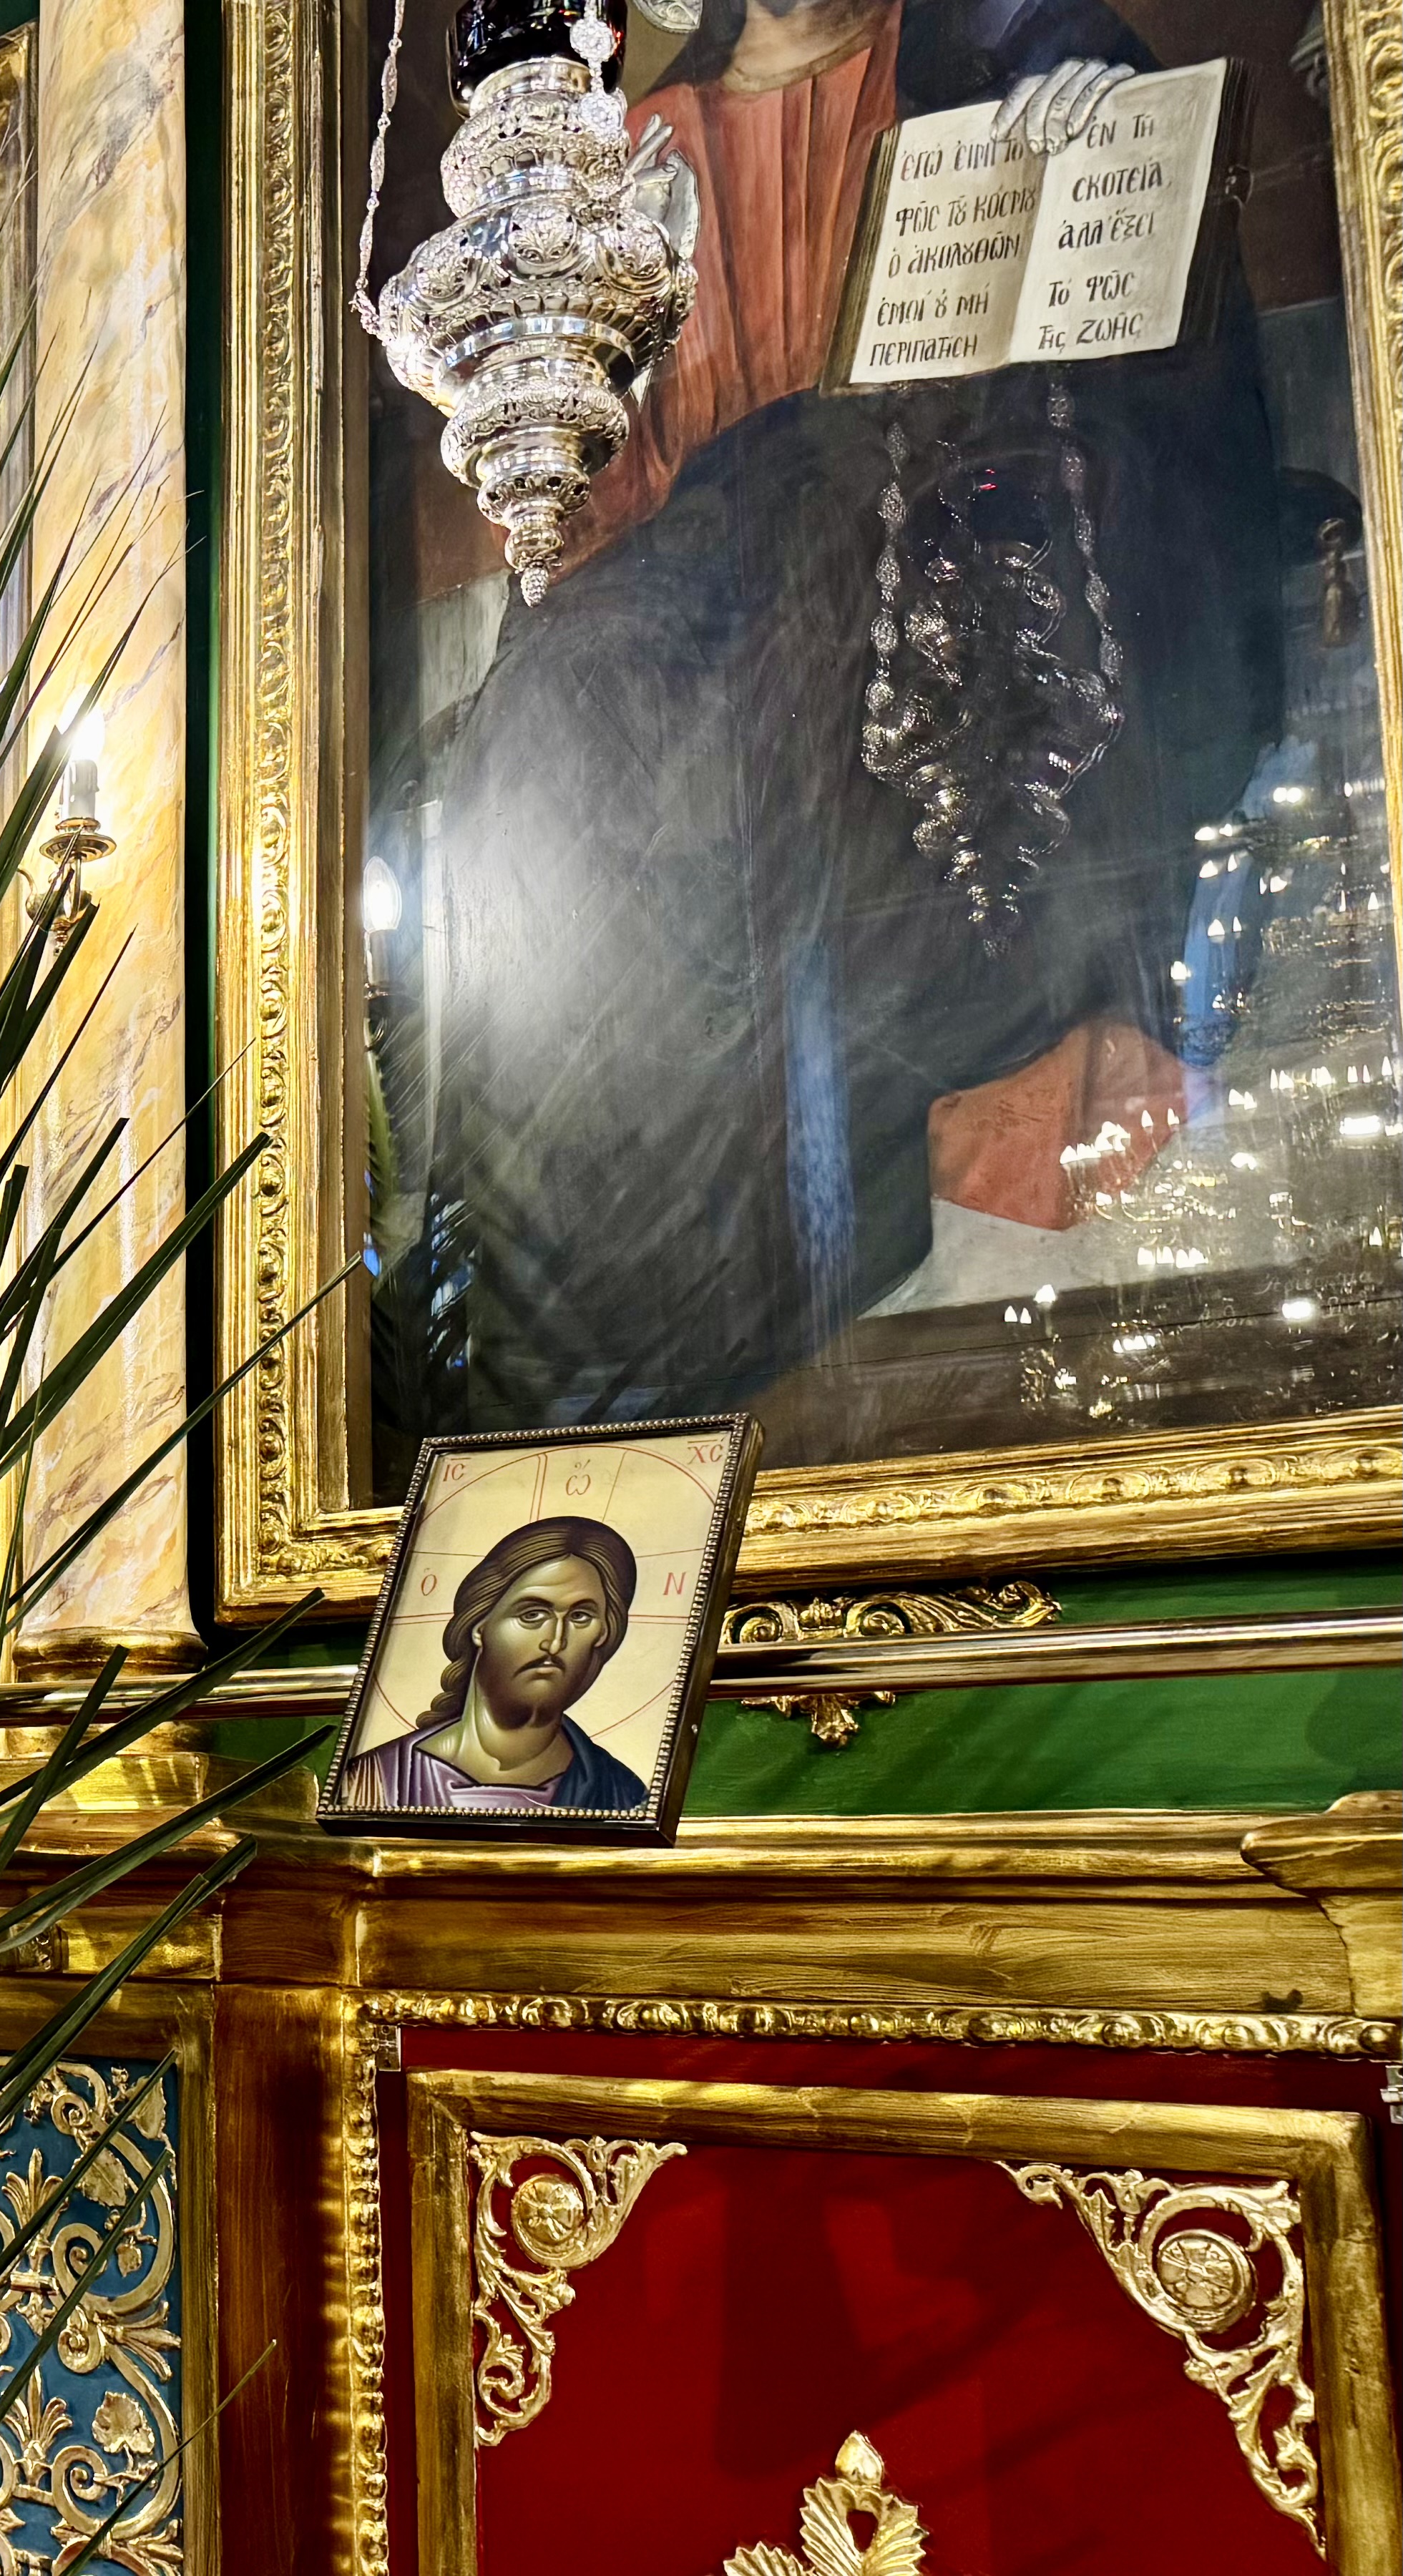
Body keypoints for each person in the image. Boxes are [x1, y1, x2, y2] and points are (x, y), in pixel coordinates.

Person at [369, 0, 1284, 1457]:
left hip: (891, 595)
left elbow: (1142, 390)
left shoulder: (1005, 66)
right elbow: (577, 495)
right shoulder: (632, 153)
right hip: (686, 645)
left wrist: (1092, 135)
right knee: (538, 754)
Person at [337, 1516, 652, 1814]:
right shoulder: (374, 1781)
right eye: (532, 1615)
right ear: (481, 1624)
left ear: (603, 1633)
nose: (555, 1642)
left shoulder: (623, 1795)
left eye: (581, 1617)